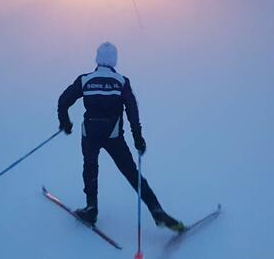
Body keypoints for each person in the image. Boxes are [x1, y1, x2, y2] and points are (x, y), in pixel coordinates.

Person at [57, 42, 184, 232]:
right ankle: (156, 210)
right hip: (113, 136)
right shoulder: (121, 82)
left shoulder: (85, 80)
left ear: (97, 59)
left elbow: (63, 101)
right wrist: (138, 138)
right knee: (132, 174)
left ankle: (91, 209)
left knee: (90, 169)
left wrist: (65, 123)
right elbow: (132, 111)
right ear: (114, 60)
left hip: (90, 134)